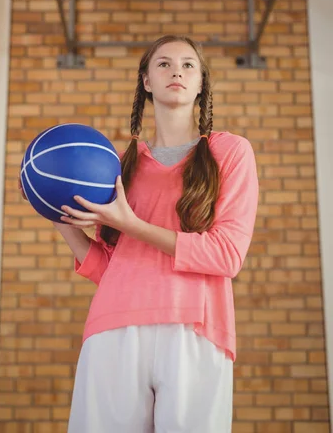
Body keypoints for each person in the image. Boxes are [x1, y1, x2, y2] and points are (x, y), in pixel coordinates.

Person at [20, 35, 259, 432]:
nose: (176, 71)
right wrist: (56, 211)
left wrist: (131, 224)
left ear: (201, 83)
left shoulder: (229, 152)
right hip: (113, 326)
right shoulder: (115, 166)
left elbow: (226, 255)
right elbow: (108, 269)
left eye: (188, 65)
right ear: (146, 81)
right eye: (163, 64)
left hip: (194, 329)